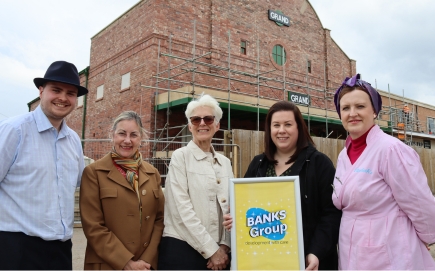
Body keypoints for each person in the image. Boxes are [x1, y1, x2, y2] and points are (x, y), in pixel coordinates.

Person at [332, 73, 435, 270]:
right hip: (350, 251)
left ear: (374, 111)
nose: (352, 113)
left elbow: (419, 202)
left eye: (360, 106)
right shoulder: (344, 155)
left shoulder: (391, 150)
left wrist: (427, 237)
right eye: (345, 108)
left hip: (390, 252)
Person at [224, 100, 342, 270]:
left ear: (298, 128)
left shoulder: (319, 163)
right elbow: (244, 208)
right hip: (264, 261)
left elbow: (331, 214)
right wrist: (234, 217)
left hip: (308, 261)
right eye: (276, 125)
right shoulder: (258, 164)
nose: (281, 130)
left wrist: (316, 252)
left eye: (288, 124)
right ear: (269, 129)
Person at [0, 60, 88, 270]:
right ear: (41, 91)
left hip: (61, 250)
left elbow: (82, 185)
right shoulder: (14, 130)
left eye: (70, 93)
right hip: (16, 248)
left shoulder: (74, 140)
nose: (63, 98)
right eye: (56, 90)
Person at [80, 111, 164, 270]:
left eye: (133, 135)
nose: (127, 140)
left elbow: (160, 220)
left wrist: (146, 260)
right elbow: (93, 226)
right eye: (121, 134)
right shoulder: (94, 173)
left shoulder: (153, 173)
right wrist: (126, 262)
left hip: (146, 265)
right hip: (107, 264)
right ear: (112, 135)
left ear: (141, 138)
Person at [158, 94, 233, 270]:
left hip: (220, 256)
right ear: (190, 126)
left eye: (208, 119)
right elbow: (180, 210)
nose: (202, 123)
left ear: (217, 125)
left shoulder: (225, 163)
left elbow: (231, 208)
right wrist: (211, 250)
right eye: (196, 119)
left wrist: (224, 246)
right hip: (183, 249)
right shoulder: (180, 157)